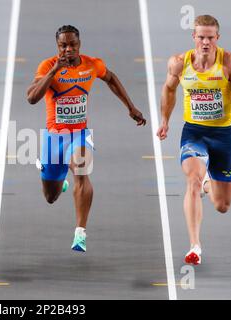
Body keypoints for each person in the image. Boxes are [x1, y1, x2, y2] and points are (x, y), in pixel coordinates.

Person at [27, 25, 146, 252]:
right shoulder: (47, 66)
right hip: (54, 138)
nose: (68, 49)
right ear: (57, 46)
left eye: (72, 44)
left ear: (79, 44)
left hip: (79, 134)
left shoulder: (92, 64)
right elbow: (32, 98)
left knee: (81, 170)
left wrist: (130, 107)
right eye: (63, 45)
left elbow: (111, 78)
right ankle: (59, 179)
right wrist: (54, 71)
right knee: (50, 197)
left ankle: (80, 232)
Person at [157, 15, 231, 265]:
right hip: (194, 133)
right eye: (200, 36)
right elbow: (169, 90)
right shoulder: (179, 63)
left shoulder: (229, 62)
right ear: (193, 37)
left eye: (210, 37)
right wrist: (165, 120)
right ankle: (195, 246)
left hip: (222, 135)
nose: (205, 42)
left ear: (217, 38)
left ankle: (207, 183)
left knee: (222, 205)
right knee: (192, 179)